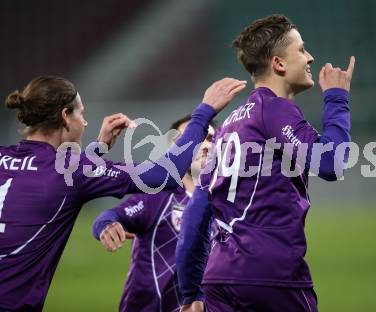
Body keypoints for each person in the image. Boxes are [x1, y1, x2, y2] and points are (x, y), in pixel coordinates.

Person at [0, 75, 246, 311]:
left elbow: (51, 178)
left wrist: (97, 150)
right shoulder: (75, 170)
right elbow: (164, 175)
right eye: (81, 114)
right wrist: (204, 111)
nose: (84, 123)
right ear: (66, 116)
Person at [176, 14, 355, 312]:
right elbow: (331, 164)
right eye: (301, 49)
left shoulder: (227, 128)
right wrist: (337, 98)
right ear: (278, 64)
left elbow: (197, 211)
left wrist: (190, 292)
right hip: (270, 277)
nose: (309, 57)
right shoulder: (273, 110)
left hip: (219, 280)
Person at [92, 115, 215, 312]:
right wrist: (106, 225)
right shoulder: (159, 196)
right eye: (195, 139)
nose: (206, 145)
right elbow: (112, 216)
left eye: (210, 139)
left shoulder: (228, 204)